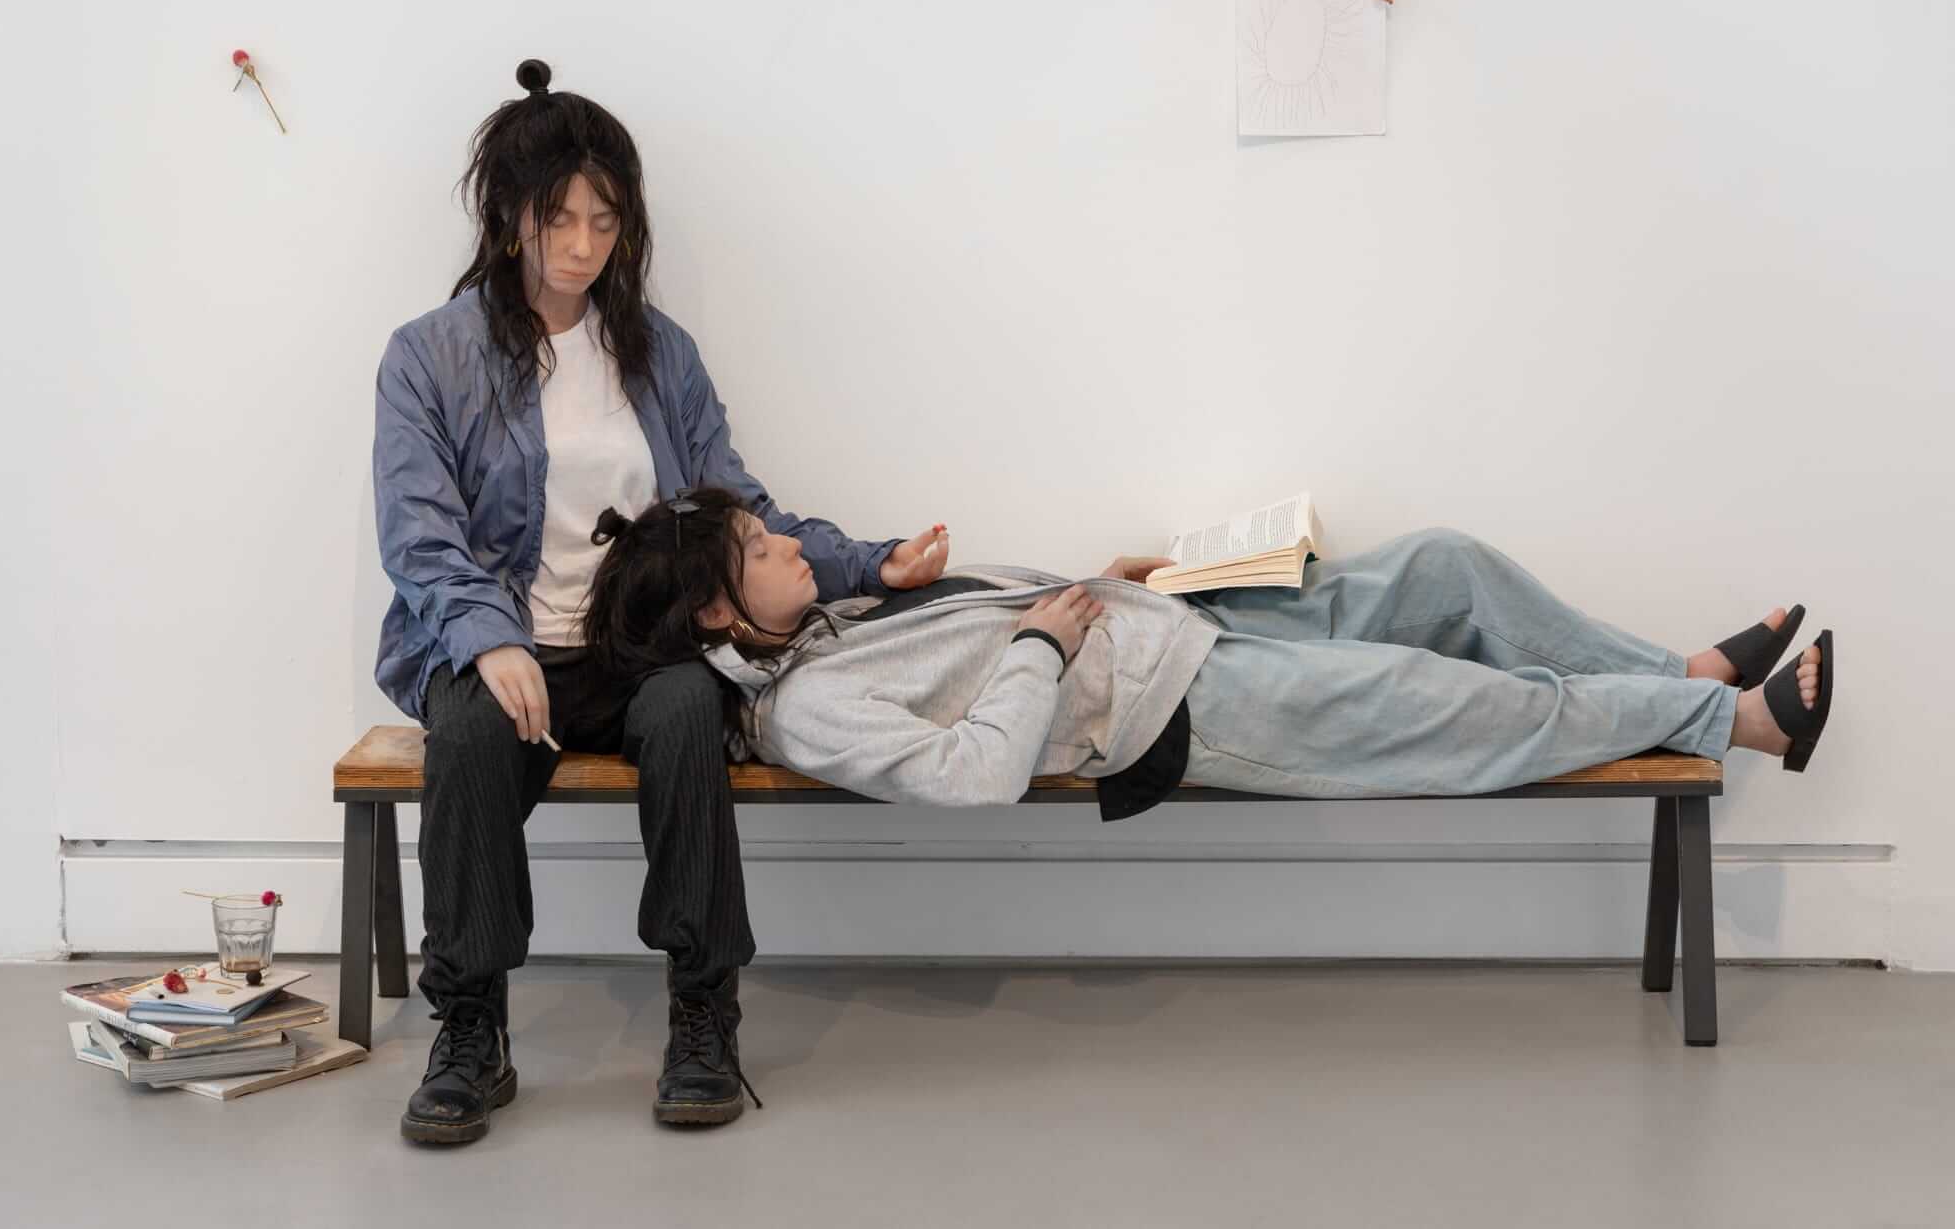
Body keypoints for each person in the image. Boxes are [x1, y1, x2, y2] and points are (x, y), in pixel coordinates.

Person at [372, 60, 950, 1145]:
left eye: (604, 220)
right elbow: (418, 534)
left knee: (688, 706)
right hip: (505, 649)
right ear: (508, 215)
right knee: (468, 727)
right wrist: (490, 640)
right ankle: (470, 1025)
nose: (582, 244)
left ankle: (703, 1012)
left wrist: (873, 564)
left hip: (636, 649)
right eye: (558, 218)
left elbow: (739, 511)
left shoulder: (657, 353)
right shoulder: (429, 358)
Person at [582, 487, 1834, 826]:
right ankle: (1737, 723)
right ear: (716, 613)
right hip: (1179, 708)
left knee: (1444, 565)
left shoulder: (828, 622)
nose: (790, 542)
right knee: (1448, 701)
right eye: (760, 548)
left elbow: (992, 635)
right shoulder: (806, 709)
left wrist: (1101, 583)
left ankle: (1679, 671)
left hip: (1179, 629)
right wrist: (1040, 639)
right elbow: (973, 774)